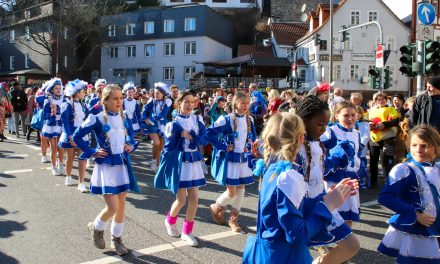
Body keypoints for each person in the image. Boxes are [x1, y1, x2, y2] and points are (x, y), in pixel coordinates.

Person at [242, 112, 356, 264]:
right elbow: (297, 235)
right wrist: (327, 206)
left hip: (267, 252)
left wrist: (327, 197)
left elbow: (285, 209)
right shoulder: (289, 177)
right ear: (301, 139)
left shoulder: (271, 167)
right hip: (284, 257)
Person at [73, 84, 139, 256]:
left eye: (121, 98)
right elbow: (77, 136)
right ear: (106, 101)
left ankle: (116, 239)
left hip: (122, 164)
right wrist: (92, 151)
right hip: (106, 167)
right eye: (115, 98)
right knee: (112, 207)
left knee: (122, 205)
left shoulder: (125, 118)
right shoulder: (96, 118)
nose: (119, 101)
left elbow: (131, 136)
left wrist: (131, 145)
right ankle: (96, 227)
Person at [295, 96, 360, 263]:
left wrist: (330, 190)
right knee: (297, 251)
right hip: (303, 208)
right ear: (303, 121)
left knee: (351, 245)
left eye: (326, 124)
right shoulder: (295, 149)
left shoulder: (316, 143)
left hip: (321, 202)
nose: (324, 129)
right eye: (320, 124)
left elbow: (320, 169)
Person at [377, 125, 440, 263]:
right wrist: (415, 214)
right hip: (417, 229)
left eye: (424, 146)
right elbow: (385, 197)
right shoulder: (404, 169)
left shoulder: (437, 168)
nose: (418, 150)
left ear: (435, 147)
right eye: (414, 145)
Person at [154, 90, 207, 246]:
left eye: (192, 102)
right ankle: (170, 220)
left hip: (194, 162)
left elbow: (203, 140)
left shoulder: (197, 119)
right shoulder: (173, 124)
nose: (190, 105)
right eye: (186, 102)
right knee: (181, 200)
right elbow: (168, 149)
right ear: (179, 104)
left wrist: (191, 137)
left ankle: (187, 231)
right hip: (180, 164)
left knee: (194, 200)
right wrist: (178, 135)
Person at [205, 91, 257, 232]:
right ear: (235, 103)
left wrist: (255, 148)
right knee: (231, 192)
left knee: (241, 189)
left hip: (243, 159)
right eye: (242, 103)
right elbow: (209, 133)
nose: (246, 105)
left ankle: (233, 219)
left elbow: (254, 138)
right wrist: (223, 146)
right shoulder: (226, 119)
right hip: (231, 160)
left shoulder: (250, 120)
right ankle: (216, 206)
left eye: (248, 103)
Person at [321, 102, 361, 226]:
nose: (350, 118)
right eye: (346, 115)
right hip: (335, 177)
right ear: (337, 115)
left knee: (348, 216)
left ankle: (345, 239)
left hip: (350, 176)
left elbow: (356, 155)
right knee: (332, 213)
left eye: (353, 115)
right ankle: (328, 242)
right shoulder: (330, 132)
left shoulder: (357, 133)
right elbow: (321, 153)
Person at [59, 79, 89, 191]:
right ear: (76, 92)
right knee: (70, 158)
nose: (84, 93)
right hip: (71, 134)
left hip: (81, 134)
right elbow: (65, 122)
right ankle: (68, 176)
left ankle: (81, 183)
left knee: (82, 159)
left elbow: (88, 119)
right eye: (82, 91)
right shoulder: (66, 105)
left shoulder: (84, 105)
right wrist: (70, 136)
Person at [368, 92, 400, 188]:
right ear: (375, 101)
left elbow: (395, 121)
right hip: (374, 138)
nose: (381, 101)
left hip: (387, 138)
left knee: (385, 160)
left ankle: (388, 181)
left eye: (382, 99)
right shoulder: (372, 111)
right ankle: (373, 181)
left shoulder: (391, 109)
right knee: (373, 160)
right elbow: (369, 121)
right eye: (378, 99)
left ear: (386, 100)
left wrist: (384, 124)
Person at [142, 82, 172, 171]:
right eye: (155, 93)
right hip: (152, 125)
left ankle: (157, 164)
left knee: (161, 146)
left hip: (163, 125)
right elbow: (145, 110)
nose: (156, 95)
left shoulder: (168, 101)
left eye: (158, 93)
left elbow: (163, 114)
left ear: (163, 94)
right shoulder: (152, 100)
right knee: (156, 143)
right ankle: (154, 160)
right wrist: (145, 119)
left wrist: (153, 118)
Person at [41, 78, 66, 176]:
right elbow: (45, 115)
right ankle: (54, 166)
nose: (59, 90)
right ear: (52, 90)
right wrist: (52, 112)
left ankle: (61, 163)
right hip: (52, 125)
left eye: (60, 88)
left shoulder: (65, 99)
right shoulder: (47, 100)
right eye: (56, 88)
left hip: (62, 125)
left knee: (62, 147)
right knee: (54, 148)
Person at [355, 106, 370, 189]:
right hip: (353, 149)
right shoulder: (351, 124)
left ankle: (361, 181)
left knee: (361, 165)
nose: (357, 115)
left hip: (361, 148)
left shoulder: (365, 124)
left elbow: (366, 136)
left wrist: (361, 145)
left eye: (359, 113)